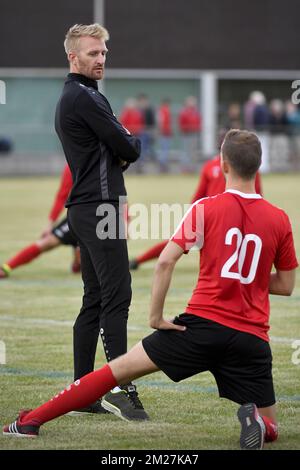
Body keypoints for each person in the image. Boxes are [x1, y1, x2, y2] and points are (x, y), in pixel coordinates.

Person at [3, 129, 298, 450]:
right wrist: (249, 279)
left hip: (198, 327)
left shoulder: (205, 209)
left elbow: (165, 262)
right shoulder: (280, 219)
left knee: (113, 372)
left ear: (223, 164)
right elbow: (284, 285)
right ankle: (259, 422)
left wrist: (156, 317)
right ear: (259, 165)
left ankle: (30, 421)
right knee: (272, 427)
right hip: (251, 340)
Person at [48, 23, 147, 420]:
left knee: (93, 299)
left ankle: (83, 392)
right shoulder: (86, 97)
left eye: (104, 52)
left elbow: (121, 147)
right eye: (93, 53)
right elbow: (130, 146)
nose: (101, 59)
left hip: (85, 208)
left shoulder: (76, 95)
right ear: (74, 56)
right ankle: (122, 389)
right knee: (116, 296)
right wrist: (123, 148)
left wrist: (120, 147)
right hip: (100, 206)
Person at [129, 151, 262, 270]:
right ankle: (137, 261)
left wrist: (192, 216)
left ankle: (138, 261)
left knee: (177, 243)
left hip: (210, 216)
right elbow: (256, 196)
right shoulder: (247, 169)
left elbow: (198, 197)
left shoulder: (211, 166)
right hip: (228, 217)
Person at [0, 164, 81, 279]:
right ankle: (6, 267)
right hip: (81, 214)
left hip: (103, 214)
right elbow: (62, 195)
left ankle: (79, 258)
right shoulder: (72, 163)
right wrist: (50, 224)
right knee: (47, 242)